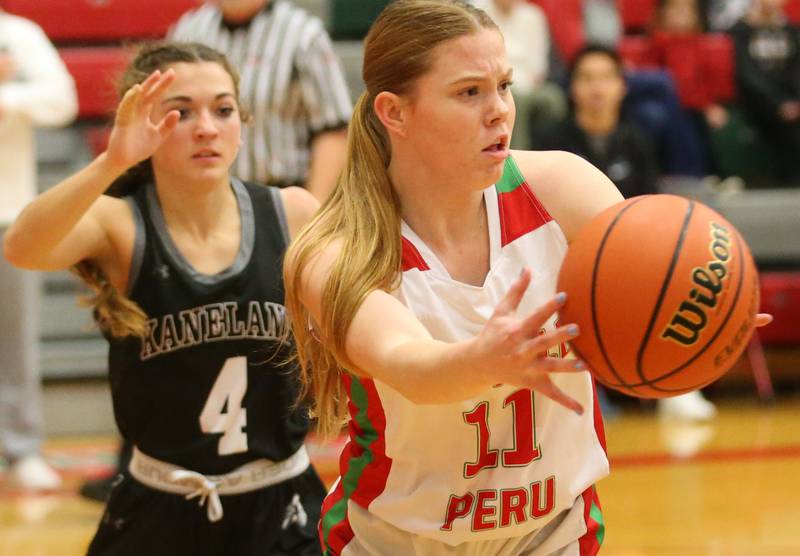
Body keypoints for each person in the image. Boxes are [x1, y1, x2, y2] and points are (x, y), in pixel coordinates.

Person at [285, 1, 620, 553]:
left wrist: (697, 305)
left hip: (551, 532)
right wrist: (484, 361)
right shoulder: (336, 250)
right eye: (469, 92)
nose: (499, 112)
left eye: (505, 86)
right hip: (397, 540)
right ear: (394, 112)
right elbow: (409, 365)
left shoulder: (563, 187)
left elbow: (653, 272)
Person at [3, 42, 323, 555]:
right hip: (160, 503)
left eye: (222, 110)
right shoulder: (120, 223)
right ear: (144, 125)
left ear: (241, 123)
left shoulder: (293, 212)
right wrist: (111, 161)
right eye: (180, 112)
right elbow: (21, 247)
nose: (206, 128)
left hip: (280, 502)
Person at [0, 8, 78, 491]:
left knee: (15, 342)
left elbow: (61, 99)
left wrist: (5, 96)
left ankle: (21, 448)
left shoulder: (18, 34)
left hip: (11, 214)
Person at [168, 0, 352, 200]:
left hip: (281, 197)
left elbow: (334, 130)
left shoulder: (303, 34)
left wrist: (312, 217)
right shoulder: (188, 30)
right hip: (204, 200)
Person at [533, 45, 659, 199]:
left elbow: (649, 201)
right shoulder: (549, 142)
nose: (597, 88)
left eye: (606, 78)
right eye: (587, 78)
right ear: (572, 87)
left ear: (622, 86)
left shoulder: (637, 141)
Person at [473, 0, 566, 149]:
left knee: (553, 98)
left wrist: (529, 85)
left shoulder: (534, 16)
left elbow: (539, 64)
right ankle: (516, 155)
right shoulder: (477, 13)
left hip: (529, 84)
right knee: (515, 99)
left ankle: (553, 152)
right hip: (495, 83)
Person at [731, 0, 800, 183]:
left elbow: (796, 71)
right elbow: (746, 75)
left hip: (791, 102)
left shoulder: (792, 30)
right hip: (757, 103)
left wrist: (794, 101)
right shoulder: (741, 30)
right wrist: (778, 103)